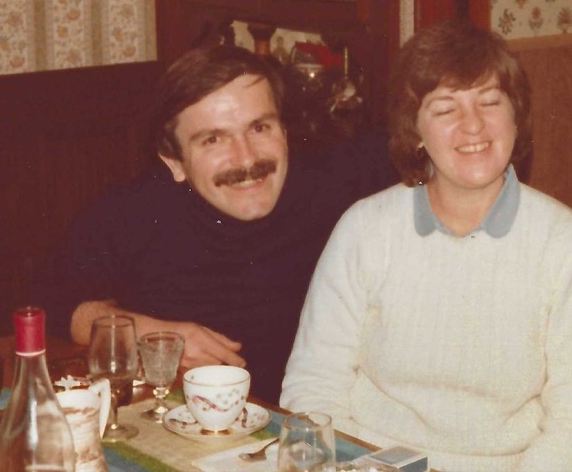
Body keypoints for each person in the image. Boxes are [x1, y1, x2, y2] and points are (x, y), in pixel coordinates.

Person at [280, 19, 572, 472]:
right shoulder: (365, 229)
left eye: (490, 102)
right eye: (445, 109)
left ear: (516, 115)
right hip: (369, 464)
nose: (472, 125)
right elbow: (315, 384)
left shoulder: (563, 241)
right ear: (414, 130)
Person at [31, 43, 397, 402]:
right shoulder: (135, 212)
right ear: (174, 161)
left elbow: (422, 140)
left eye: (259, 128)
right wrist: (159, 336)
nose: (247, 159)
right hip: (184, 425)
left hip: (313, 420)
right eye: (213, 140)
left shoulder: (331, 182)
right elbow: (52, 305)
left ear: (284, 131)